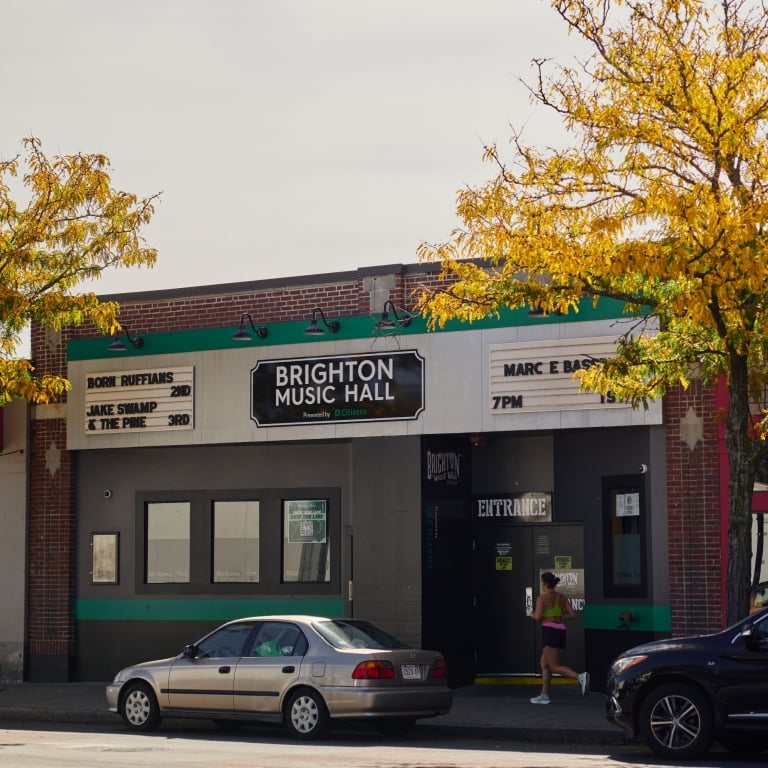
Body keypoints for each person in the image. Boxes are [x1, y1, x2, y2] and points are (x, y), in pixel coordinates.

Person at [528, 571, 589, 704]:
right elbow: (572, 614)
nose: (541, 584)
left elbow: (538, 617)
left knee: (554, 666)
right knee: (544, 663)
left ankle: (580, 677)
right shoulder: (561, 597)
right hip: (560, 630)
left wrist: (531, 614)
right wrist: (559, 617)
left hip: (549, 631)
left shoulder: (542, 598)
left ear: (545, 584)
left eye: (542, 582)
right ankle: (544, 695)